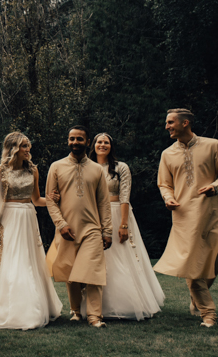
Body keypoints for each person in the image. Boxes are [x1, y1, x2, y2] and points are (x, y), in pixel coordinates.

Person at [0, 132, 62, 330]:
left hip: (27, 217)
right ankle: (11, 308)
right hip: (8, 218)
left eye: (28, 146)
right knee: (11, 260)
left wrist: (53, 199)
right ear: (13, 148)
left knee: (28, 259)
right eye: (24, 146)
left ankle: (34, 306)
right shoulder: (1, 171)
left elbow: (36, 200)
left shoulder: (33, 170)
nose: (28, 150)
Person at [87, 133, 164, 320]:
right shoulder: (87, 167)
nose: (102, 145)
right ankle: (97, 305)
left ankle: (128, 303)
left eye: (106, 142)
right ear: (93, 145)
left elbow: (125, 196)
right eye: (99, 142)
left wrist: (123, 224)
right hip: (94, 216)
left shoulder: (121, 167)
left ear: (111, 146)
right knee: (99, 260)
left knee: (121, 258)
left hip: (116, 213)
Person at [154, 108, 218, 327]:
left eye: (170, 122)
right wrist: (168, 198)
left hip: (213, 214)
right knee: (193, 266)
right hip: (184, 217)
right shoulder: (167, 154)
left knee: (212, 264)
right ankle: (208, 314)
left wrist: (214, 187)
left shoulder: (213, 145)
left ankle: (196, 297)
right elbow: (164, 183)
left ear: (185, 123)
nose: (166, 126)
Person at [45, 125, 112, 328]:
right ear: (68, 141)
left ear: (87, 142)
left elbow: (104, 202)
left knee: (92, 272)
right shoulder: (56, 167)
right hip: (67, 229)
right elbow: (50, 200)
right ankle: (75, 311)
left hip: (92, 228)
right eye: (71, 139)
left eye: (79, 139)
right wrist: (61, 225)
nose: (75, 142)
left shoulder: (97, 169)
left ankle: (95, 317)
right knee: (71, 273)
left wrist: (107, 230)